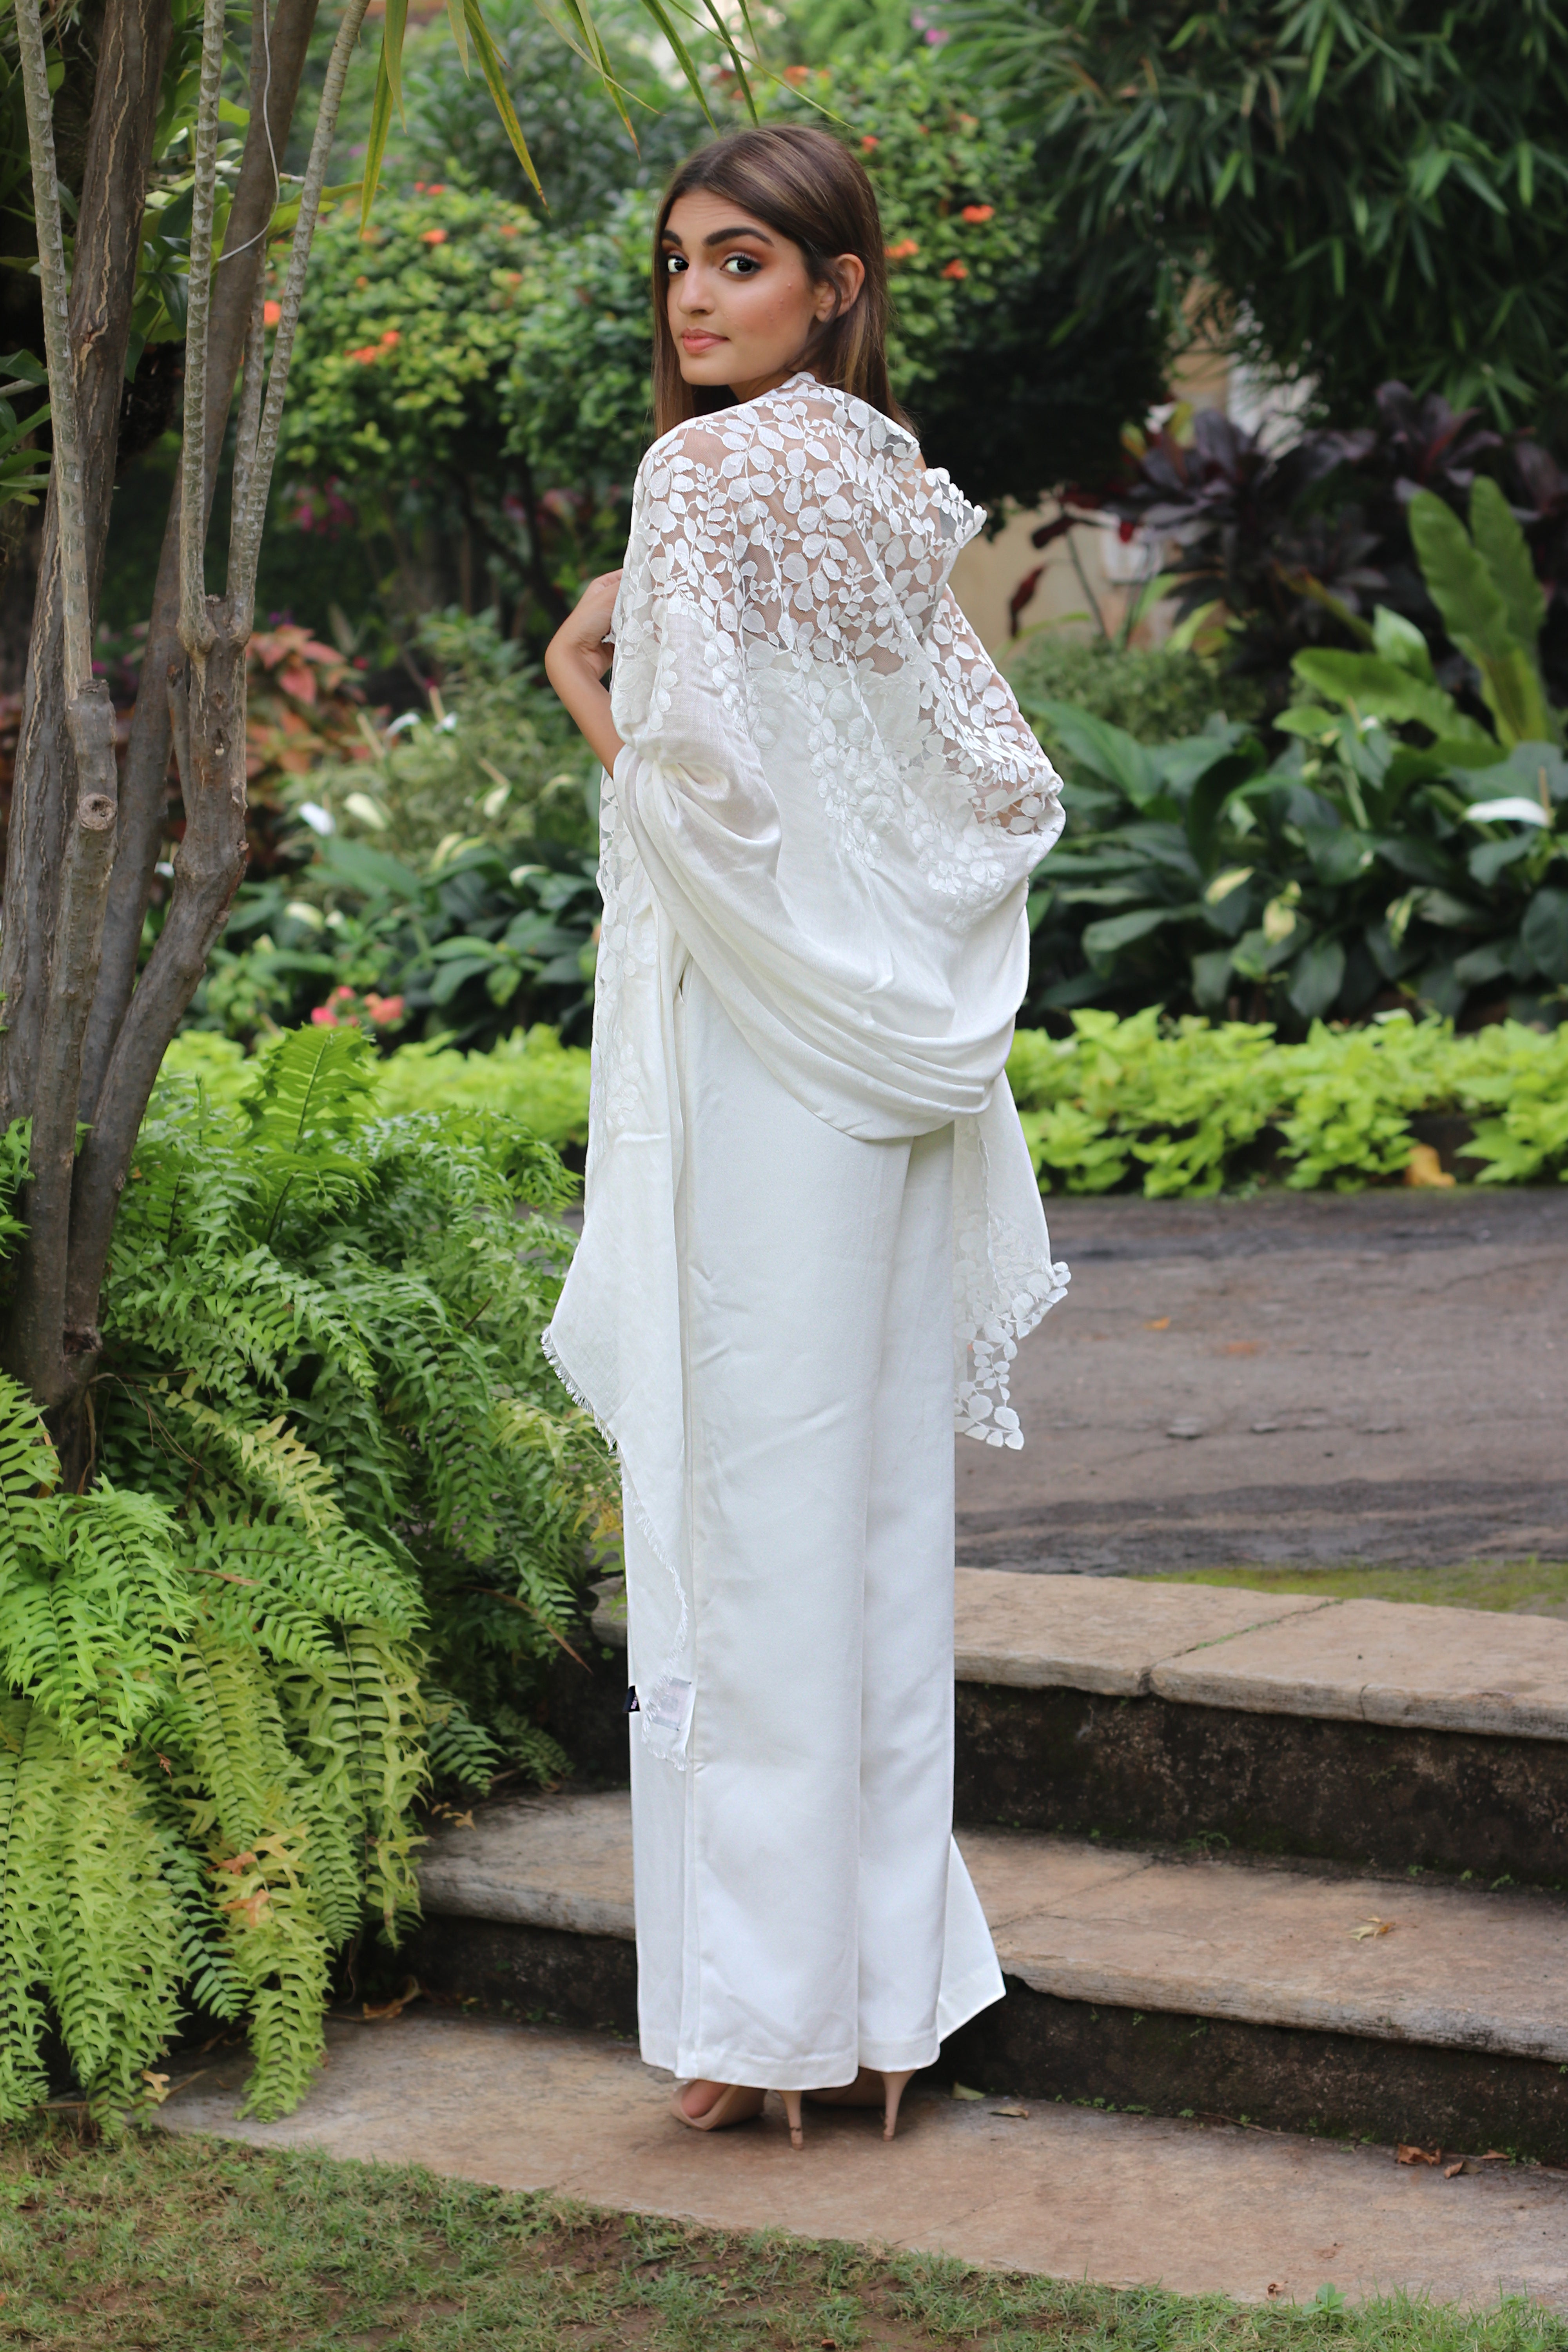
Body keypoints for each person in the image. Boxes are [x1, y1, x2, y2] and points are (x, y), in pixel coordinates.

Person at [543, 123, 1067, 2152]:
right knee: (865, 1529)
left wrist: (589, 673)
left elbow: (697, 802)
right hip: (894, 1069)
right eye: (679, 260)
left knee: (755, 1524)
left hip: (768, 1071)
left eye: (742, 261)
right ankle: (889, 2006)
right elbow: (996, 790)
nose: (695, 295)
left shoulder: (704, 477)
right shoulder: (875, 483)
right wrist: (887, 954)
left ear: (837, 282)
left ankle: (759, 2027)